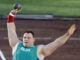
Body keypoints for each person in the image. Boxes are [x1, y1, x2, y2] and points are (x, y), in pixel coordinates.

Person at [7, 9, 76, 60]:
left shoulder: (39, 50)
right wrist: (11, 15)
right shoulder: (16, 45)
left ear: (33, 39)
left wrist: (67, 35)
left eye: (28, 38)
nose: (26, 39)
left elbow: (56, 43)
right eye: (24, 37)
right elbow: (11, 30)